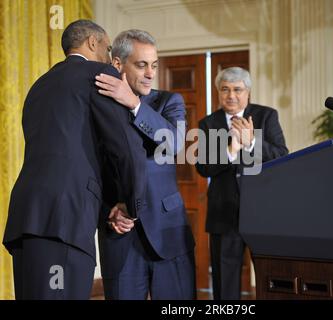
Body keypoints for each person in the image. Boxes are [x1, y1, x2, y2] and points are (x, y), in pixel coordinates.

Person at [2, 20, 147, 300]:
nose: (111, 58)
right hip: (65, 220)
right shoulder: (100, 74)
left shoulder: (39, 85)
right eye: (108, 49)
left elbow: (70, 152)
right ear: (93, 43)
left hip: (26, 217)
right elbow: (125, 148)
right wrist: (130, 204)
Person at [94, 29, 195, 300]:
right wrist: (108, 211)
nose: (150, 73)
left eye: (154, 65)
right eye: (141, 65)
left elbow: (173, 144)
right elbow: (90, 168)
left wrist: (134, 104)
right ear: (117, 64)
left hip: (168, 232)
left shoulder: (169, 102)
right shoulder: (97, 106)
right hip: (119, 235)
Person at [195, 67, 288, 300]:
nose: (231, 95)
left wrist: (252, 143)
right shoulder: (208, 123)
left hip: (262, 212)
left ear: (248, 92)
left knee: (270, 277)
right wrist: (230, 150)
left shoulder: (267, 116)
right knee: (224, 282)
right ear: (218, 92)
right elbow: (203, 167)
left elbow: (282, 155)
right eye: (225, 89)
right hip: (223, 214)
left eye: (237, 89)